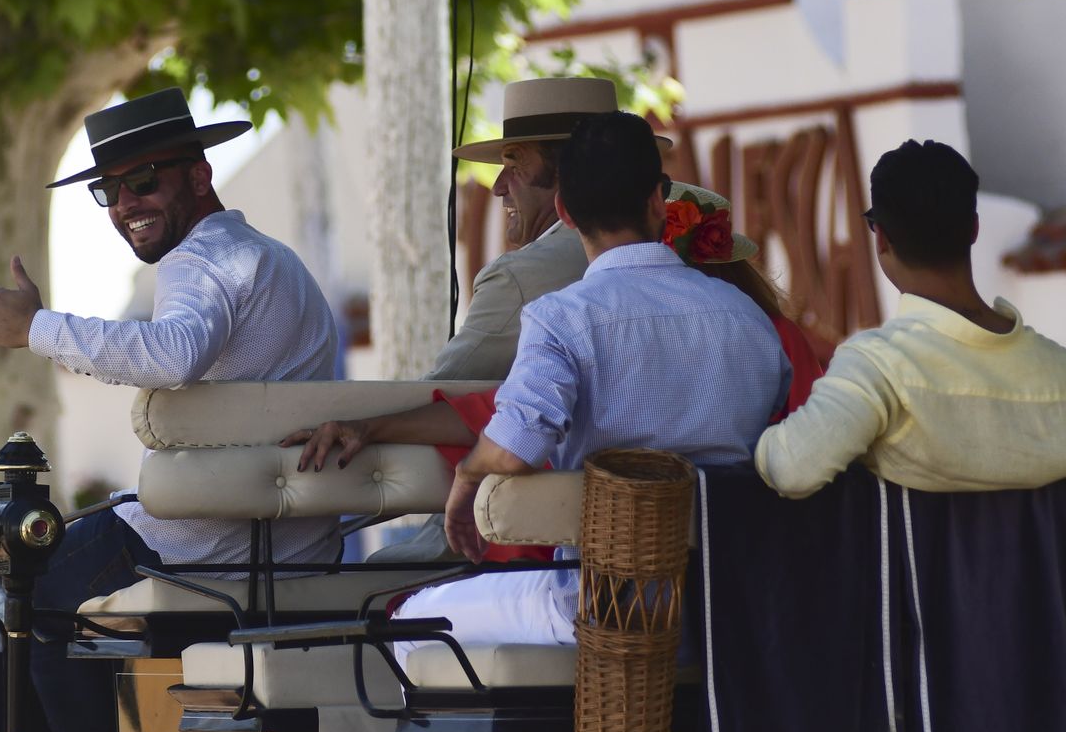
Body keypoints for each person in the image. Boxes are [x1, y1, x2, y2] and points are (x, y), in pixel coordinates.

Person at [0, 87, 339, 732]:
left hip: (208, 545)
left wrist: (34, 326)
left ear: (200, 176)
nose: (124, 205)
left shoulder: (201, 260)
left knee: (30, 586)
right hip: (303, 544)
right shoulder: (276, 261)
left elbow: (173, 355)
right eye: (108, 190)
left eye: (144, 181)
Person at [286, 181, 823, 564]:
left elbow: (509, 426)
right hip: (741, 569)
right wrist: (372, 426)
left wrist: (460, 468)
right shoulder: (759, 329)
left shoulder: (578, 316)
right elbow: (495, 413)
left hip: (605, 581)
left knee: (412, 605)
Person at [374, 76, 672, 561]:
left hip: (531, 545)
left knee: (376, 581)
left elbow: (438, 401)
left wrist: (353, 426)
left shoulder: (526, 281)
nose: (496, 186)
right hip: (683, 557)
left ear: (565, 178)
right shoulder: (703, 274)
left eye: (515, 162)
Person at [756, 140, 1066, 498]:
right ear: (974, 229)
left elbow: (789, 469)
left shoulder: (878, 367)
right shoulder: (1057, 370)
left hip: (929, 557)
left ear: (882, 239)